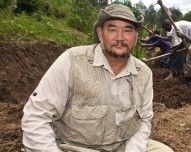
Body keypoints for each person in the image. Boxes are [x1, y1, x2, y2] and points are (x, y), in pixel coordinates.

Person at [21, 4, 174, 152]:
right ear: (100, 33)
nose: (120, 37)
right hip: (74, 147)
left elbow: (144, 122)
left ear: (136, 36)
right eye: (112, 29)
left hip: (122, 145)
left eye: (127, 30)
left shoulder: (144, 73)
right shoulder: (72, 61)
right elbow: (36, 116)